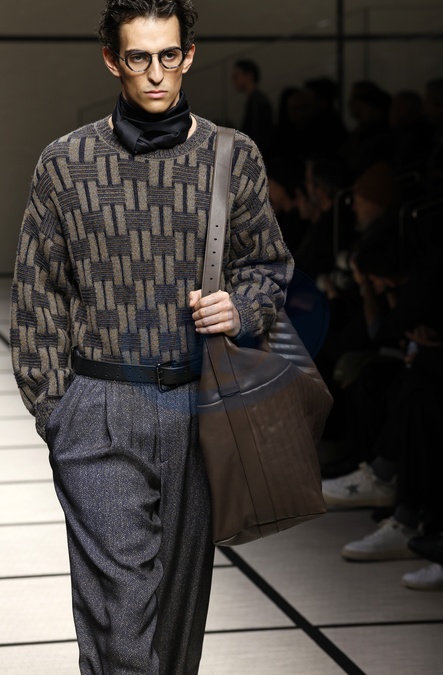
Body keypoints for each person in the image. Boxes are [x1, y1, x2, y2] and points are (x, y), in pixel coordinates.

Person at [10, 2, 294, 673]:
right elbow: (37, 291)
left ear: (188, 54)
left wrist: (240, 308)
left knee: (176, 624)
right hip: (100, 407)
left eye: (169, 55)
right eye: (139, 57)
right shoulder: (66, 163)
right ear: (113, 60)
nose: (157, 74)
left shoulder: (232, 156)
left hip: (199, 409)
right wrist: (59, 413)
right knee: (121, 623)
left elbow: (269, 266)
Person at [232, 58, 275, 160]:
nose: (234, 81)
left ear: (249, 76)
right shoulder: (257, 99)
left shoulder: (256, 101)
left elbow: (258, 134)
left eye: (236, 76)